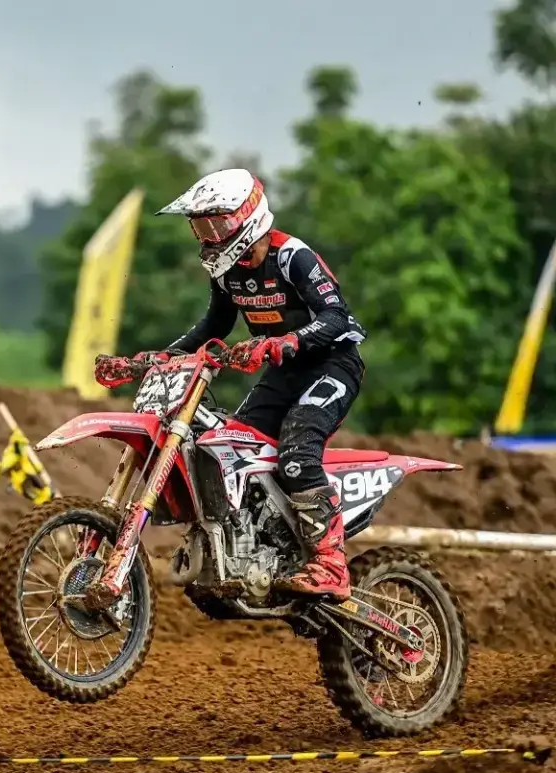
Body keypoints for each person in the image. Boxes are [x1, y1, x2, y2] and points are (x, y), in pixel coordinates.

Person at [95, 169, 366, 600]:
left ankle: (331, 563)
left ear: (247, 217)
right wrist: (160, 357)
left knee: (297, 451)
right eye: (200, 228)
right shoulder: (227, 272)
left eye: (216, 226)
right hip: (283, 372)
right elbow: (214, 325)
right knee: (231, 448)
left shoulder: (292, 257)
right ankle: (260, 546)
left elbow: (337, 317)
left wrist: (287, 341)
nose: (207, 237)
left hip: (332, 365)